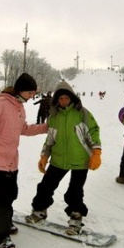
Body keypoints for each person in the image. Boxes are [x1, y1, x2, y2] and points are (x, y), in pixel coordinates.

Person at [0, 73, 48, 248]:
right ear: (21, 90)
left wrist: (45, 127)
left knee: (11, 194)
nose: (33, 96)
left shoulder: (19, 107)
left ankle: (6, 223)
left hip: (11, 160)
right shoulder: (0, 104)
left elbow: (23, 129)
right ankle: (0, 237)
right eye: (31, 92)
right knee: (1, 198)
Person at [26, 81, 101, 235]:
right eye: (60, 99)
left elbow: (93, 132)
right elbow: (50, 139)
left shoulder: (82, 113)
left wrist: (96, 152)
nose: (63, 101)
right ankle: (39, 211)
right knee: (45, 186)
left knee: (74, 192)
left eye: (66, 98)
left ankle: (75, 219)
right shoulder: (54, 117)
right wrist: (44, 156)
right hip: (58, 159)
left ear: (72, 98)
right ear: (56, 100)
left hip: (80, 160)